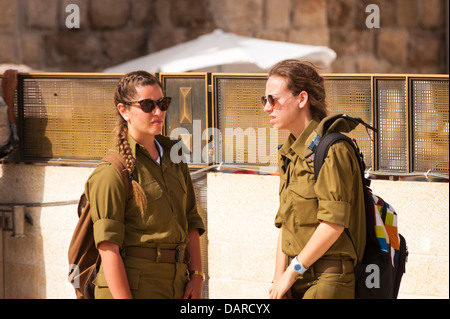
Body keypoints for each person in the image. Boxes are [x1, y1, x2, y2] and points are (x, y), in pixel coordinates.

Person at [85, 70, 206, 299]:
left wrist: (197, 275)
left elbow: (191, 217)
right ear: (124, 111)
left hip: (177, 283)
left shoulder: (174, 156)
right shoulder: (112, 171)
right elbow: (107, 247)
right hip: (133, 286)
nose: (158, 112)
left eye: (162, 103)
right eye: (148, 105)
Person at [264, 60, 366, 299]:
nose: (267, 108)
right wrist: (279, 279)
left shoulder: (333, 148)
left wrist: (292, 272)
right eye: (264, 100)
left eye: (273, 99)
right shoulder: (289, 152)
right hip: (296, 278)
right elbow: (286, 225)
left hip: (328, 280)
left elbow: (333, 224)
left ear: (302, 99)